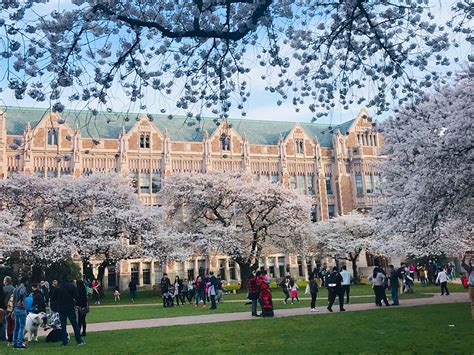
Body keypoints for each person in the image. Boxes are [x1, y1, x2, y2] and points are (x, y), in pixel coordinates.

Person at [50, 277, 85, 346]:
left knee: (63, 326)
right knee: (74, 324)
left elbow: (53, 298)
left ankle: (64, 341)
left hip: (61, 308)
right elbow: (76, 296)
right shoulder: (71, 286)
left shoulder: (58, 287)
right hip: (70, 307)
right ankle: (79, 340)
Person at [12, 276, 28, 349]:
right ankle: (19, 343)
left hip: (15, 309)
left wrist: (13, 310)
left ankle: (15, 343)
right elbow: (22, 294)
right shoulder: (23, 288)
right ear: (26, 281)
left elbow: (13, 299)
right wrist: (21, 301)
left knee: (16, 327)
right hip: (21, 309)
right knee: (22, 327)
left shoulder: (16, 288)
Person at [3, 276, 15, 345]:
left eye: (4, 280)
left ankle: (8, 338)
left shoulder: (4, 289)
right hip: (12, 308)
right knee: (12, 324)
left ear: (6, 281)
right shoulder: (14, 288)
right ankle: (12, 337)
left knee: (7, 324)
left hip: (6, 308)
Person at [461, 255, 474, 319]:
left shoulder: (469, 269)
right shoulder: (470, 268)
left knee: (472, 303)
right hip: (471, 287)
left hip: (471, 287)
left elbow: (462, 263)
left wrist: (464, 257)